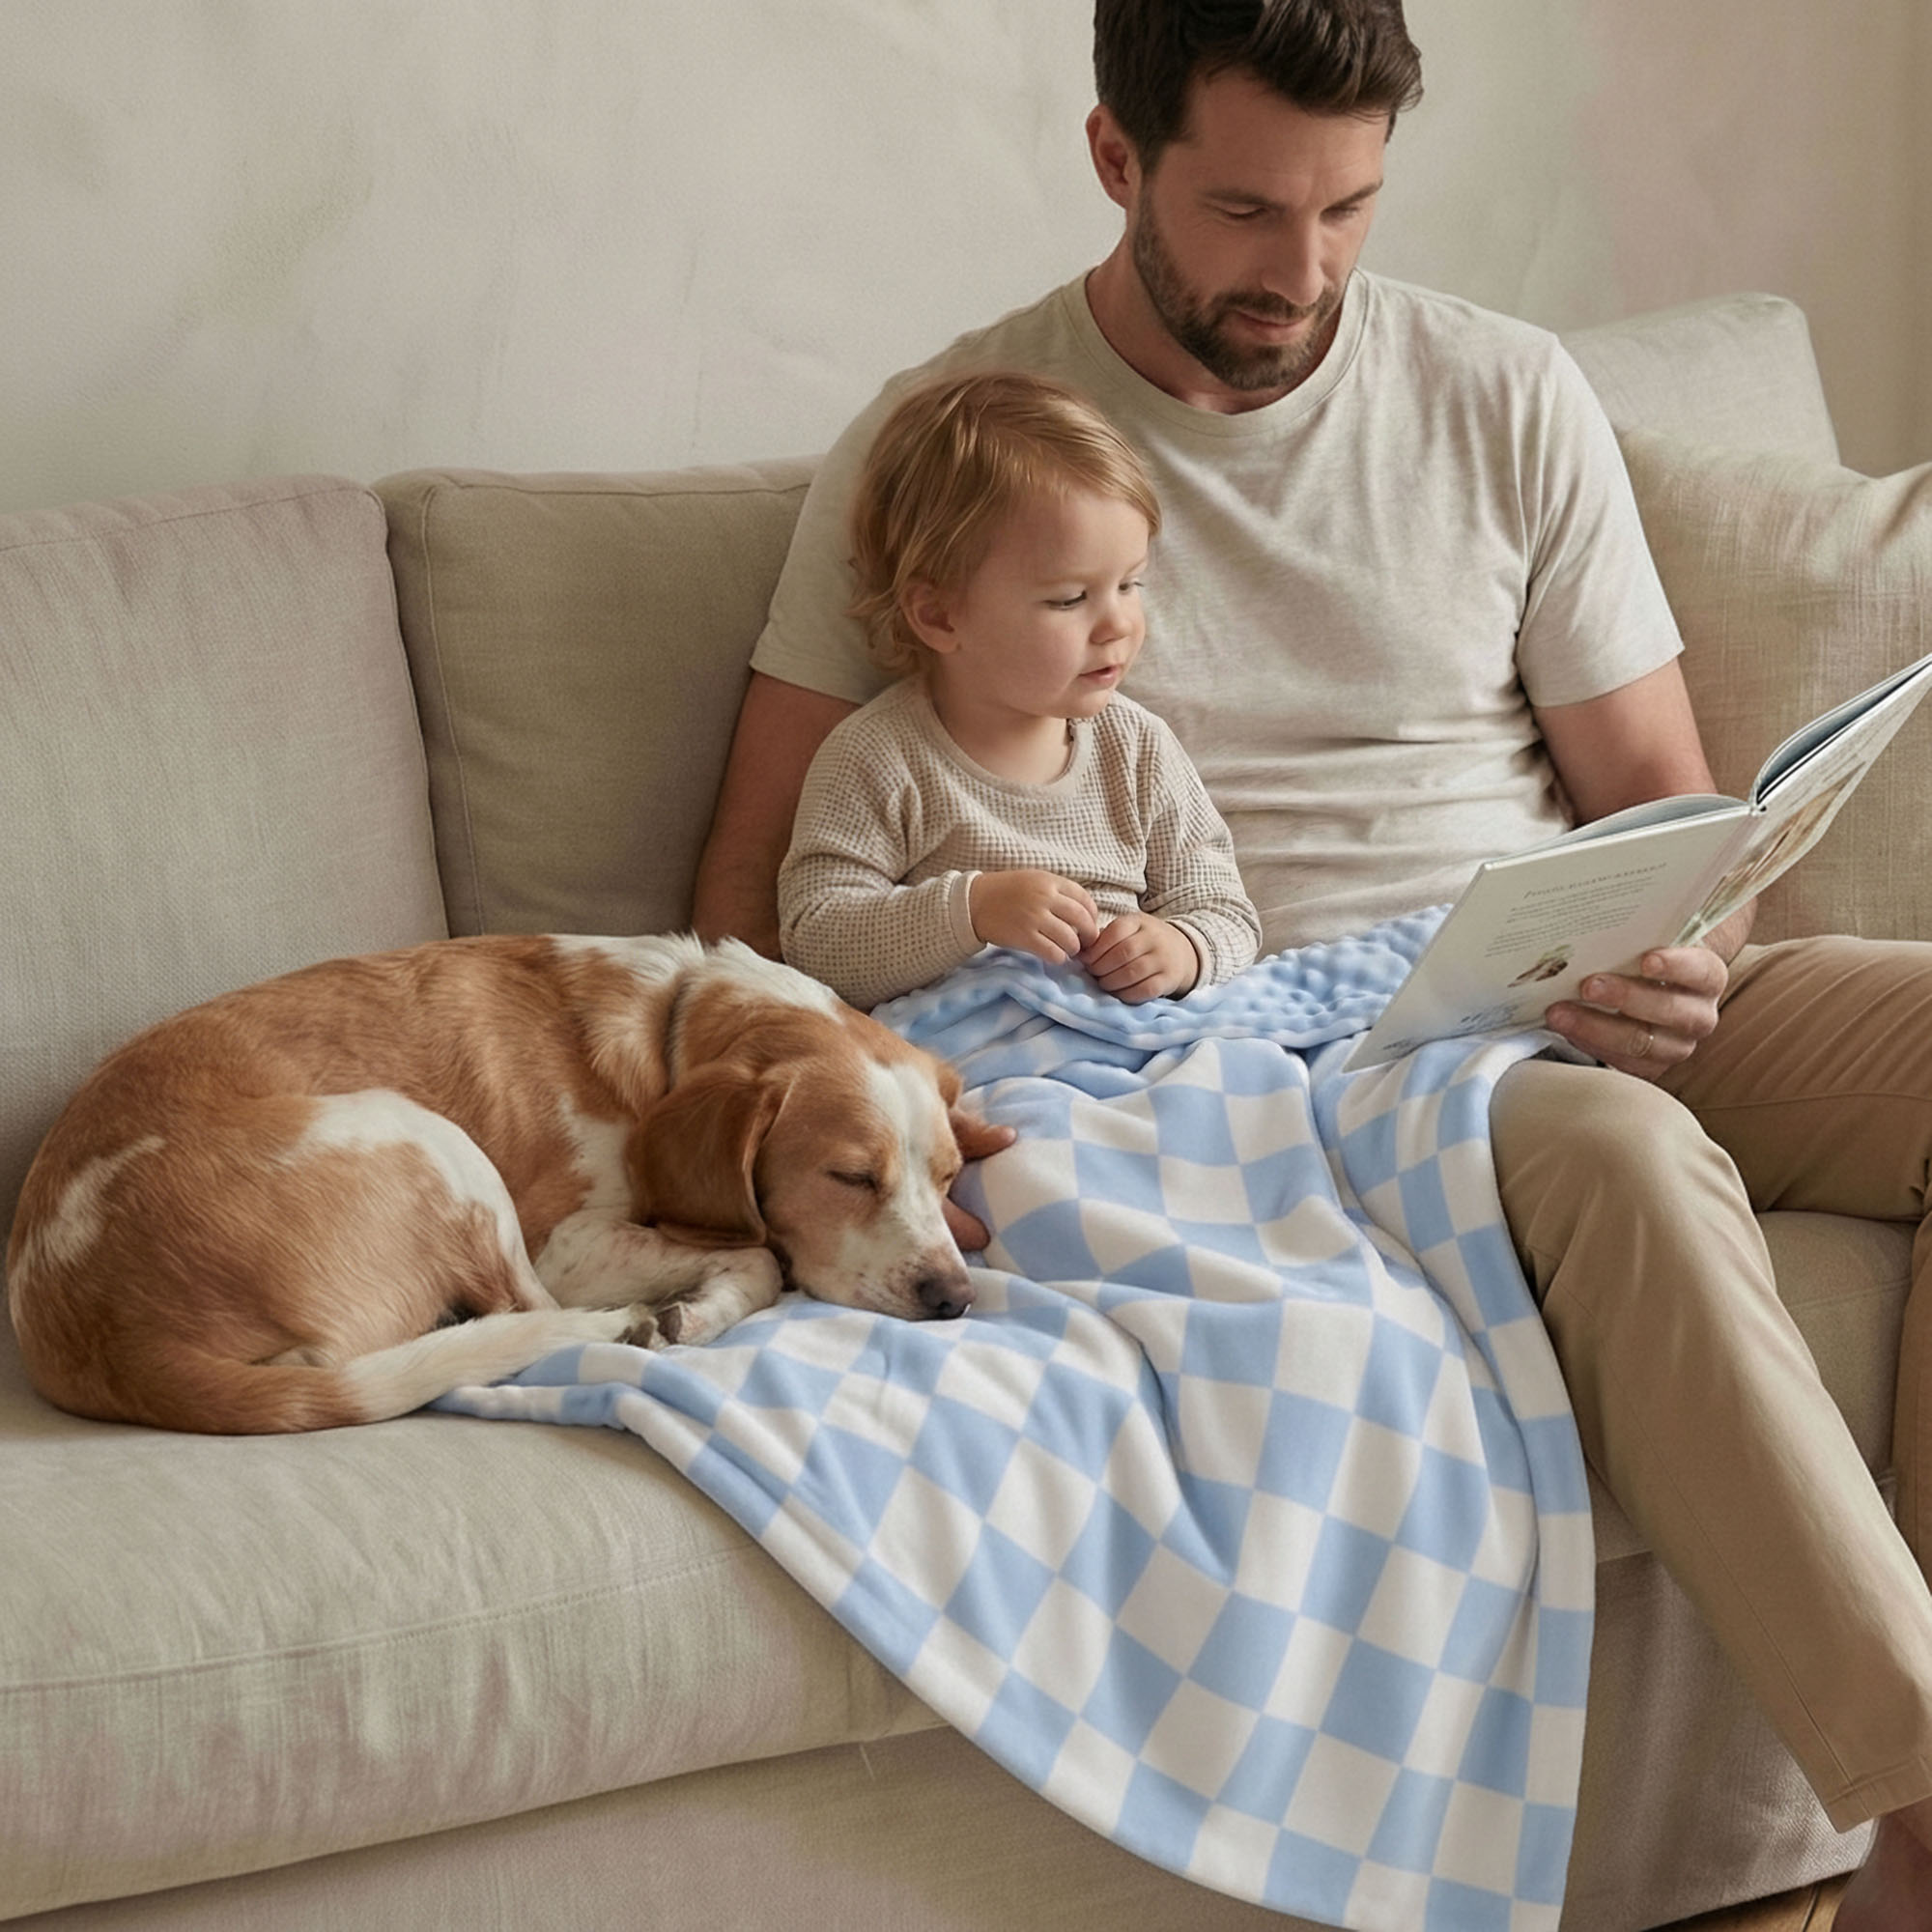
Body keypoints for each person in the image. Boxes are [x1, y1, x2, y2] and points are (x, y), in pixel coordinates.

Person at [693, 3, 1932, 1920]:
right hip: (1303, 1067)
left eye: (1348, 208)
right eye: (1250, 212)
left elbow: (1661, 797)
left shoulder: (1502, 394)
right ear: (1118, 162)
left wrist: (1675, 943)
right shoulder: (961, 443)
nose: (1306, 271)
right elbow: (748, 906)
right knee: (1618, 1162)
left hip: (1565, 974)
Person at [778, 370, 1262, 1009]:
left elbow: (1227, 911)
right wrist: (971, 911)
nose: (1119, 623)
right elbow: (815, 941)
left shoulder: (1138, 749)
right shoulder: (878, 759)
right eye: (1069, 598)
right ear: (942, 616)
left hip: (1137, 1043)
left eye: (1131, 584)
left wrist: (1182, 949)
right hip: (978, 1057)